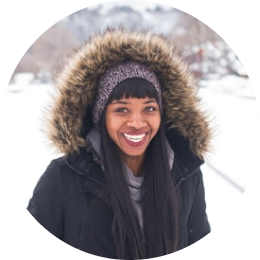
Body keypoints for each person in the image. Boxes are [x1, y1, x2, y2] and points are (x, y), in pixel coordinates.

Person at [27, 28, 212, 259]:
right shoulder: (64, 177)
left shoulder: (187, 175)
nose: (137, 122)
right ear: (101, 117)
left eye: (149, 109)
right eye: (122, 109)